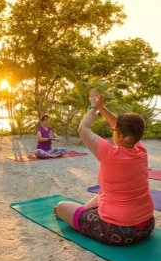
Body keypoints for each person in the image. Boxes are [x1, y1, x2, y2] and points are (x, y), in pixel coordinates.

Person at [54, 89, 155, 245]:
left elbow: (83, 129)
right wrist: (101, 107)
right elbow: (123, 128)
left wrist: (93, 107)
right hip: (146, 225)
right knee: (103, 193)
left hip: (117, 231)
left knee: (61, 207)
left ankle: (78, 213)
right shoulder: (141, 151)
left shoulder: (110, 154)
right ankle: (84, 211)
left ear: (119, 135)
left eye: (115, 130)